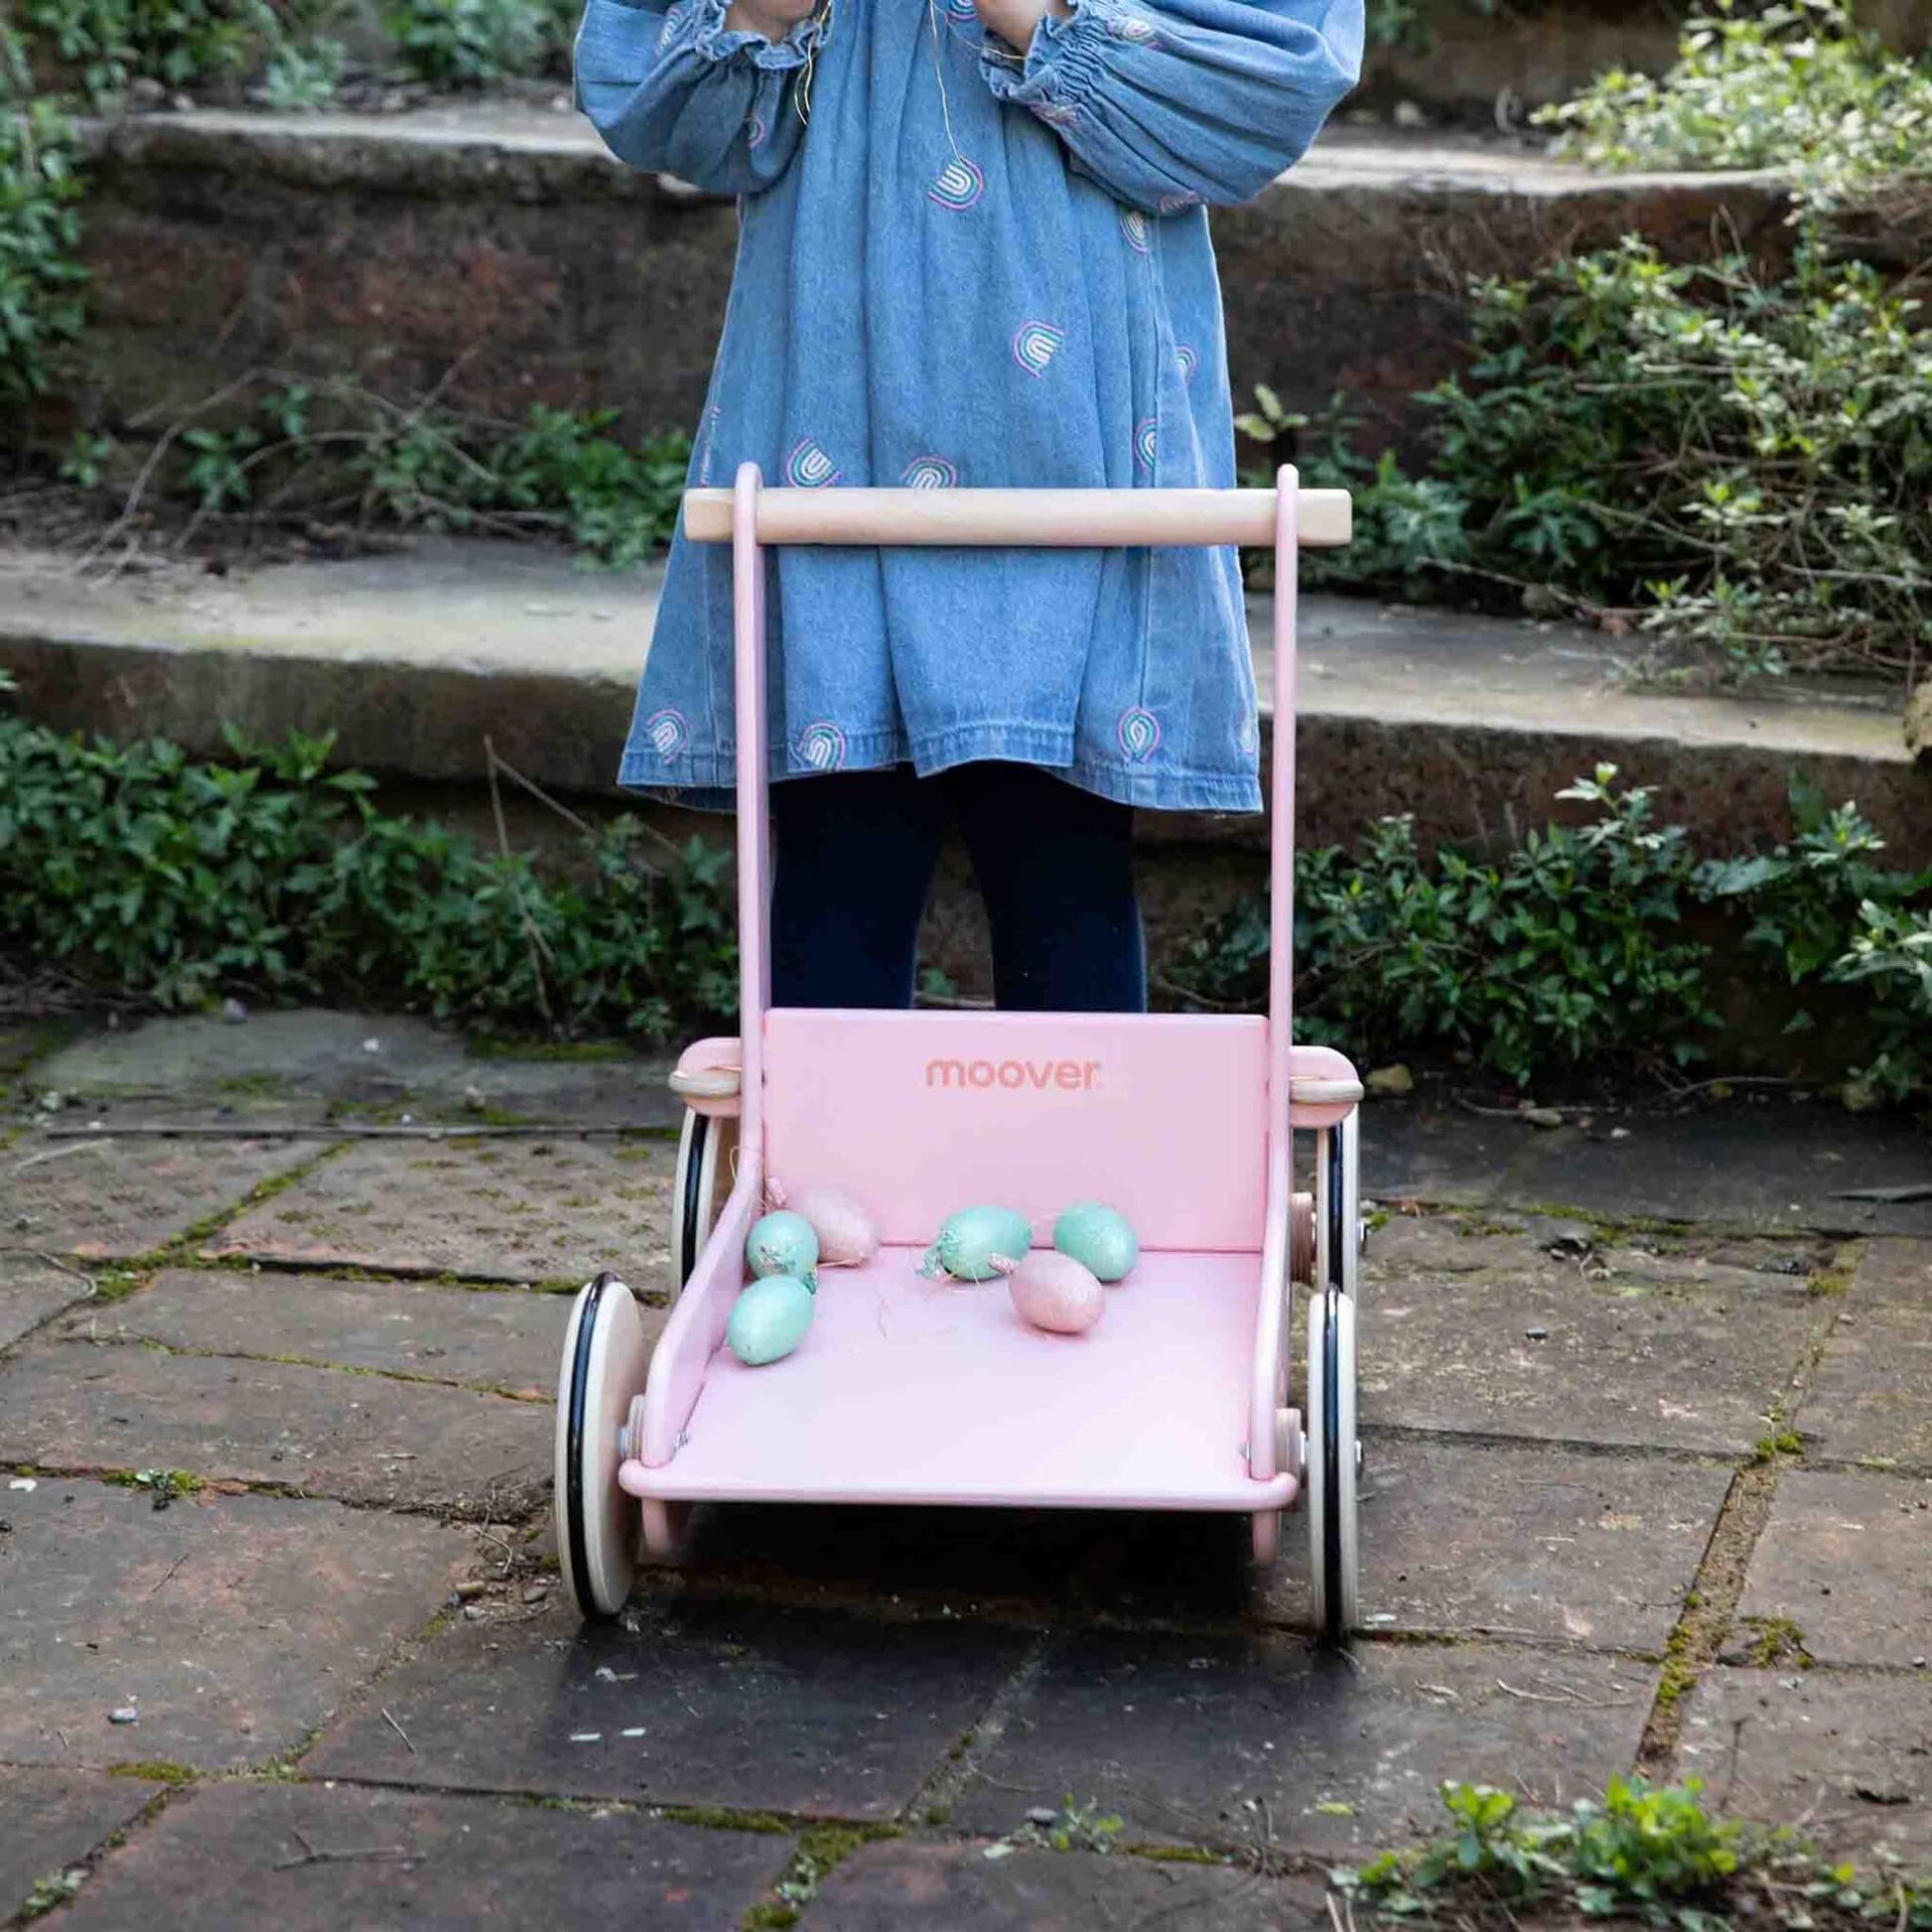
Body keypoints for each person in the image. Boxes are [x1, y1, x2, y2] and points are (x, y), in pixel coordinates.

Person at [576, 0, 1362, 1012]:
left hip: (1074, 462)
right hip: (840, 440)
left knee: (1063, 846)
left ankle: (1081, 1168)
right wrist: (767, 14)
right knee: (840, 837)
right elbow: (672, 118)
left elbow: (1256, 98)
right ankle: (820, 1169)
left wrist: (1031, 16)